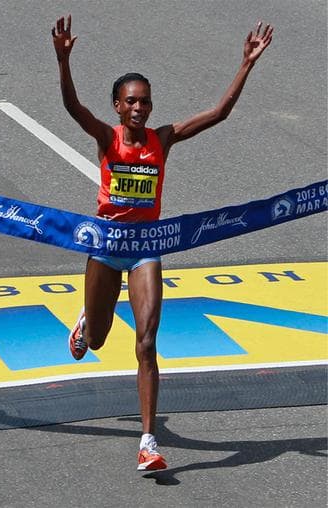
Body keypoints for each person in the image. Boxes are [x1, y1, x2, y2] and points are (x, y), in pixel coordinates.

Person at [51, 15, 273, 471]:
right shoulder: (106, 136)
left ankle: (148, 441)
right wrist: (63, 58)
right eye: (132, 102)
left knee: (147, 342)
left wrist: (245, 64)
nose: (139, 109)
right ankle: (86, 323)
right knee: (96, 341)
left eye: (145, 102)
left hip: (146, 247)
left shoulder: (162, 138)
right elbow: (74, 108)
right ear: (117, 106)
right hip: (106, 246)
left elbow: (219, 114)